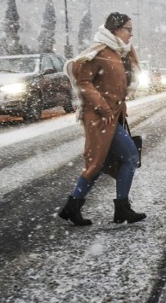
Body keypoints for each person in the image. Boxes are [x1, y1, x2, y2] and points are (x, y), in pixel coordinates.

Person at [58, 12, 146, 226]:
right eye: (128, 29)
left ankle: (73, 206)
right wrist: (103, 107)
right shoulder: (99, 52)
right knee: (129, 156)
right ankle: (122, 208)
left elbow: (118, 84)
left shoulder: (119, 52)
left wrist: (118, 105)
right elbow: (83, 81)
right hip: (99, 117)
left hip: (113, 115)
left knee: (99, 163)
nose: (131, 34)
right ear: (116, 30)